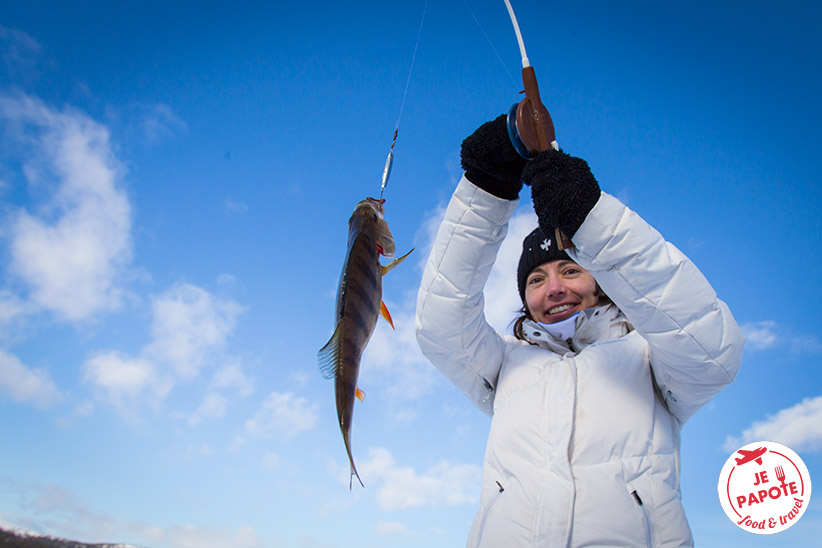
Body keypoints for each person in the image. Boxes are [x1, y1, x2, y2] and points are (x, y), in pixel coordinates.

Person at [415, 114, 745, 547]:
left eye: (570, 270)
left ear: (600, 279)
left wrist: (592, 221)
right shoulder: (504, 365)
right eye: (535, 280)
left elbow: (712, 351)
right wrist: (485, 187)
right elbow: (442, 324)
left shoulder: (650, 358)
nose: (553, 289)